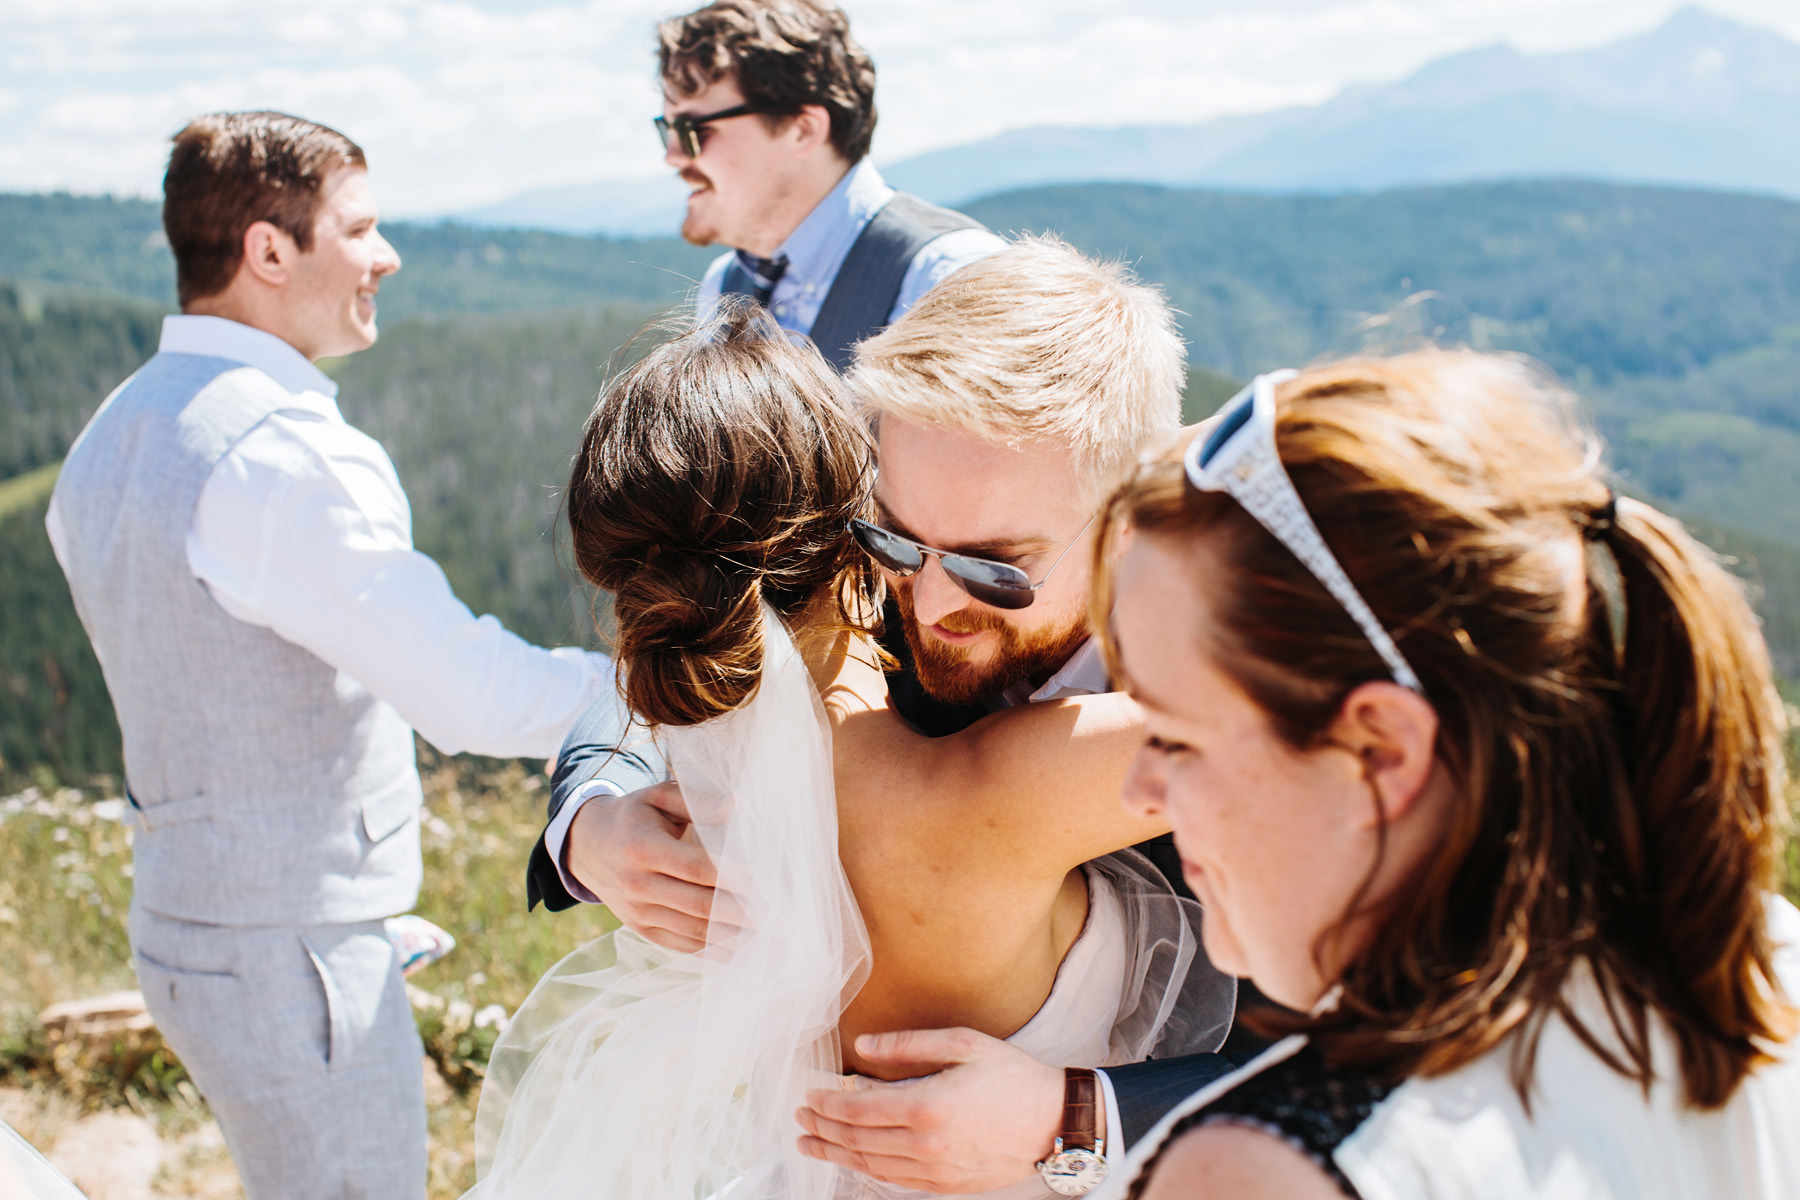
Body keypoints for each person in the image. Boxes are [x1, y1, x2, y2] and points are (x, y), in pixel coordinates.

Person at [527, 239, 1247, 1194]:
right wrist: (592, 821)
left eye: (998, 567)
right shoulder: (858, 607)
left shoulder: (1233, 679)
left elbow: (1396, 1062)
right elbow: (667, 647)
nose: (935, 603)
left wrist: (1079, 1116)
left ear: (1131, 514)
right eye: (895, 538)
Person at [46, 112, 614, 1200]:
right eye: (358, 228)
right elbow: (468, 695)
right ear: (269, 250)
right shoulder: (284, 455)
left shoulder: (116, 427)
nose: (386, 256)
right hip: (294, 956)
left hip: (190, 922)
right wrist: (640, 696)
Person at [1095, 352, 1800, 1198]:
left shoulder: (1273, 1168)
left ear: (1382, 751)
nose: (1141, 793)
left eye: (1174, 738)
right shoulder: (1758, 976)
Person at [656, 0, 1004, 367]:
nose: (673, 155)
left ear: (802, 131)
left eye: (693, 129)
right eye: (667, 129)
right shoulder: (724, 284)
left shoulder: (947, 278)